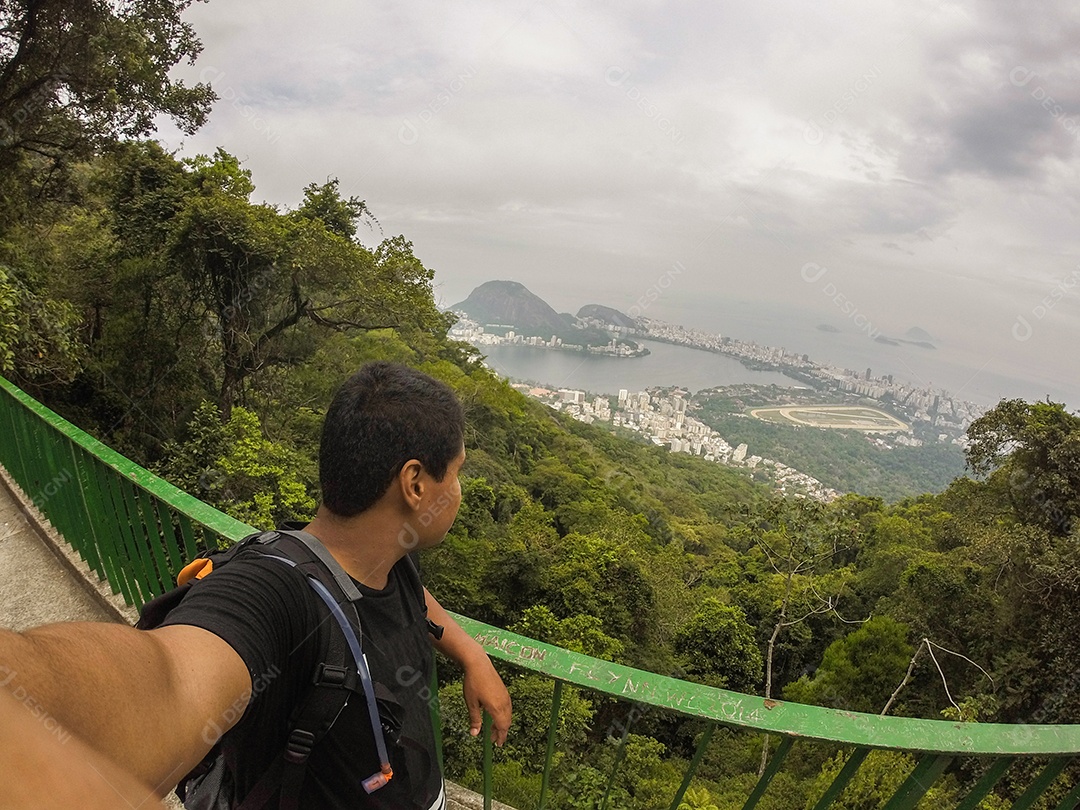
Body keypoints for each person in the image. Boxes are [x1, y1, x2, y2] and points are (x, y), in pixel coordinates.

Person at [0, 361, 512, 809]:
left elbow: (406, 596)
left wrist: (469, 652)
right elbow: (171, 678)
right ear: (416, 484)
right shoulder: (278, 592)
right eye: (459, 472)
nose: (460, 490)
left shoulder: (389, 552)